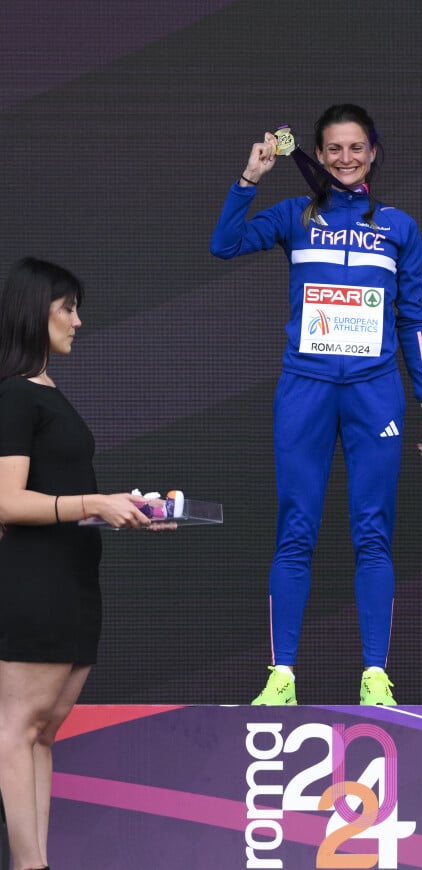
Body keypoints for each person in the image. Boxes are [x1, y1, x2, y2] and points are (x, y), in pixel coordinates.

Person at [210, 104, 422, 706]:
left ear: (373, 153)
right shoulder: (295, 215)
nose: (346, 159)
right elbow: (225, 244)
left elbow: (412, 318)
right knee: (296, 530)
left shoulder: (398, 226)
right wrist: (251, 175)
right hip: (304, 390)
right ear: (317, 153)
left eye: (356, 148)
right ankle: (281, 676)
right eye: (334, 149)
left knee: (373, 533)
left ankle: (374, 676)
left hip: (375, 393)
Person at [0, 257, 168, 870]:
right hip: (34, 581)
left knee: (43, 731)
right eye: (66, 309)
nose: (78, 320)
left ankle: (35, 860)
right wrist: (91, 503)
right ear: (33, 314)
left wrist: (123, 509)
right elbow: (6, 501)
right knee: (18, 730)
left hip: (72, 579)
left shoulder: (45, 393)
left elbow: (61, 493)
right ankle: (30, 864)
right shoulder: (15, 395)